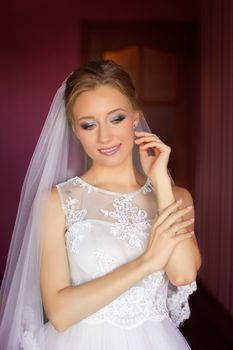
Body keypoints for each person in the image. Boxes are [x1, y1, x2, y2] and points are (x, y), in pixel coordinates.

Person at [0, 59, 201, 349]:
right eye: (89, 124)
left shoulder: (176, 197)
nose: (105, 136)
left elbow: (182, 273)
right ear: (75, 130)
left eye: (116, 118)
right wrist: (147, 262)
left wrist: (159, 183)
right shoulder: (57, 203)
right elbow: (59, 313)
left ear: (135, 118)